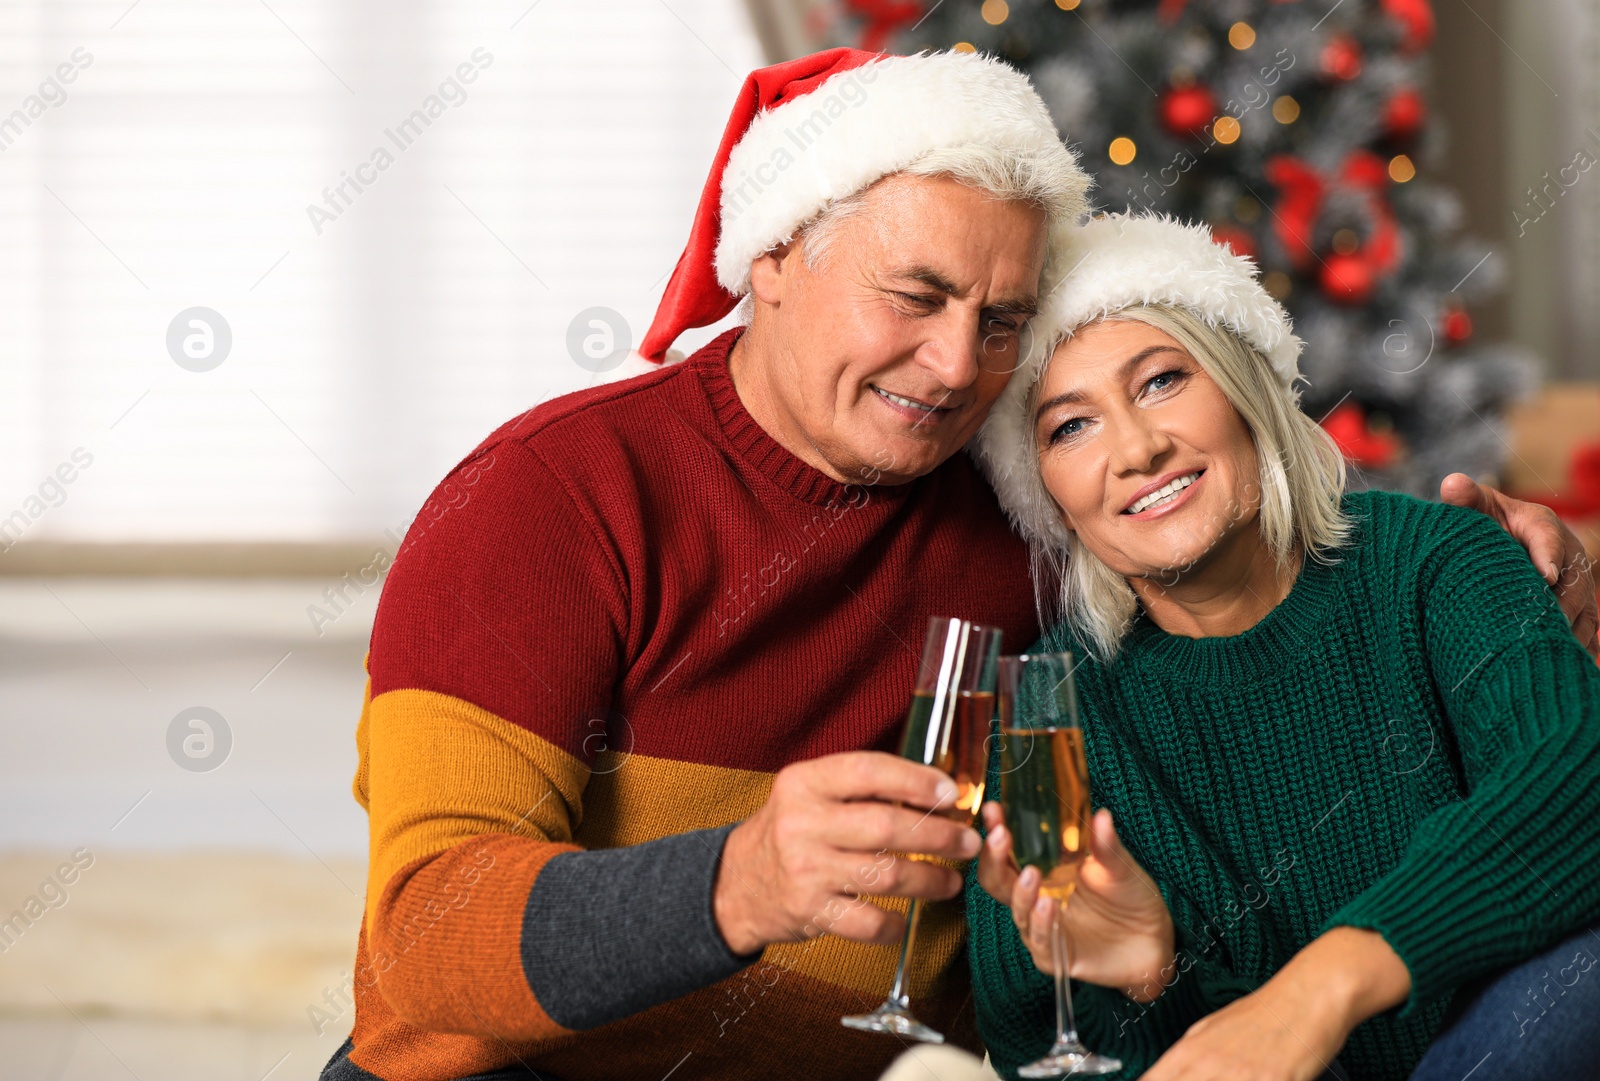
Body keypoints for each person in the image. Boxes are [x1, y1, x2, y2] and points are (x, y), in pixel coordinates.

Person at [319, 46, 1595, 1080]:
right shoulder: (548, 501)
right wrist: (734, 882)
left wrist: (1534, 594)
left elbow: (1242, 545)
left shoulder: (1034, 531)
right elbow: (424, 939)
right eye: (913, 296)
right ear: (774, 259)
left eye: (996, 323)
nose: (949, 369)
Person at [966, 213, 1600, 1081]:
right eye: (1069, 427)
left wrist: (1329, 980)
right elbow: (1034, 1039)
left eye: (1160, 381)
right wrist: (1158, 973)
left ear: (1244, 391)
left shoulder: (1433, 563)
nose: (1138, 449)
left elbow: (1578, 773)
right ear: (1046, 493)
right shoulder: (1047, 707)